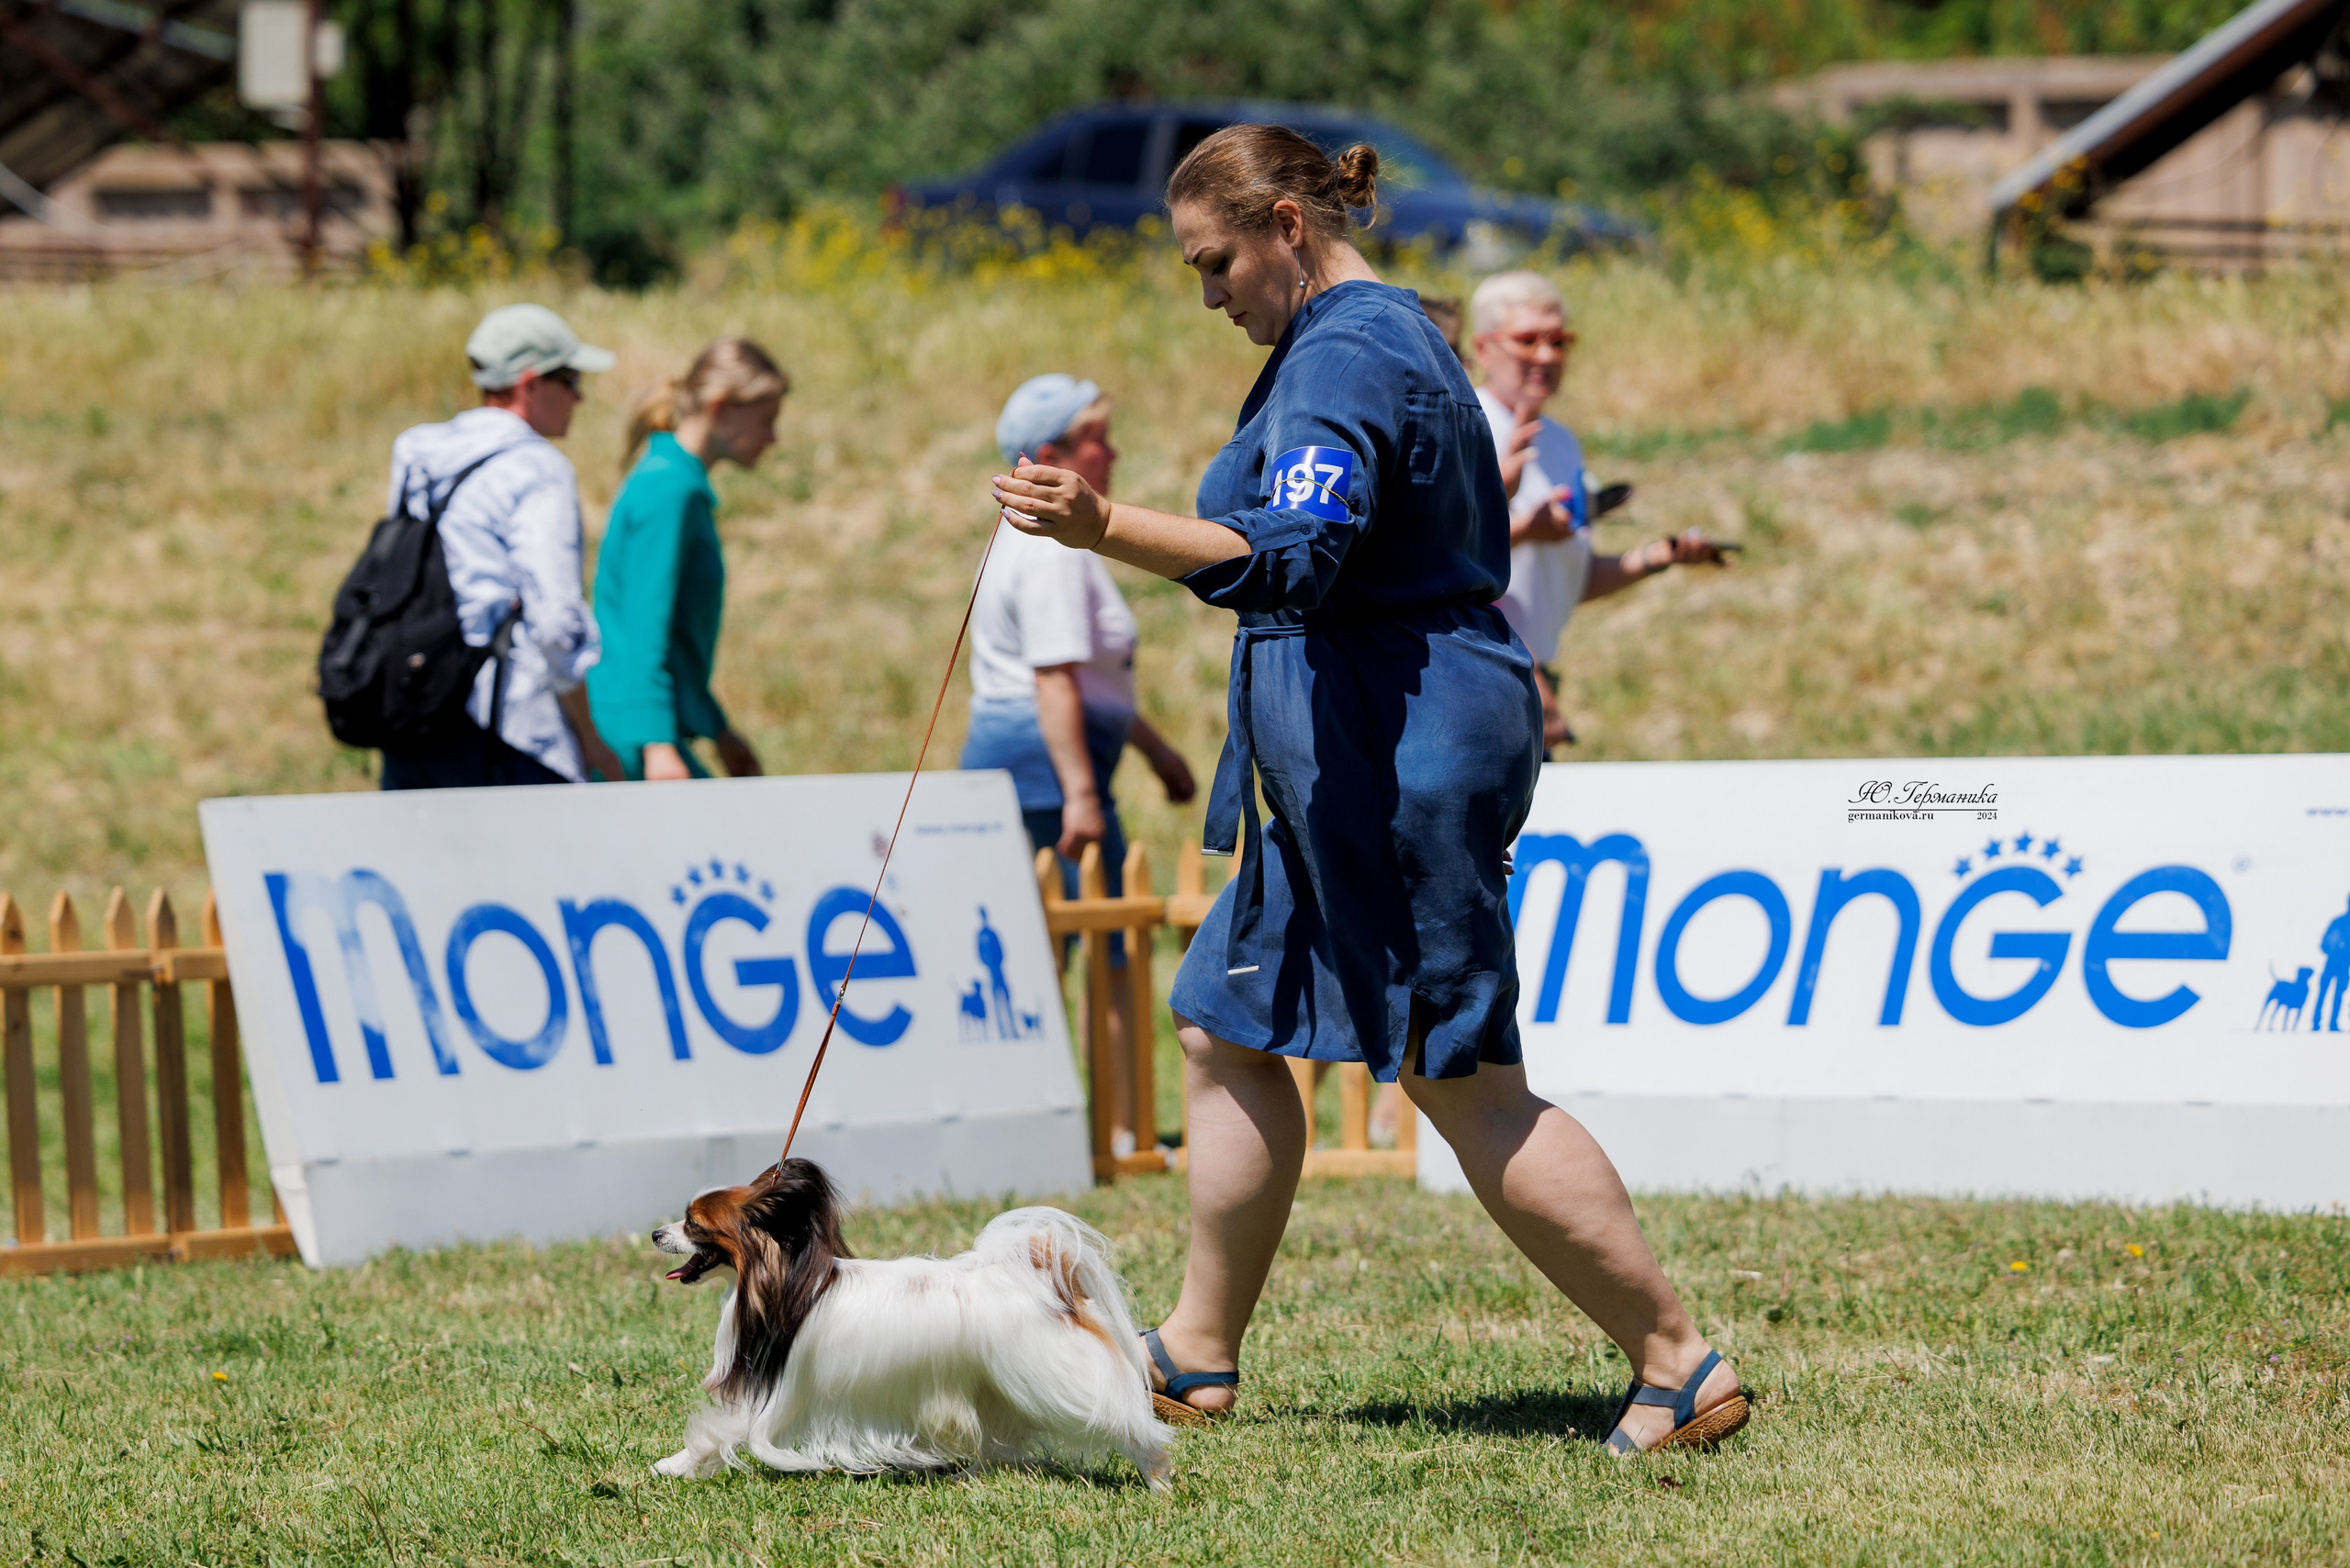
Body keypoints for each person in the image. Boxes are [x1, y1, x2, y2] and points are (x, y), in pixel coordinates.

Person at [989, 125, 1749, 1455]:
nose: (1207, 291)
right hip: (1343, 759)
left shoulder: (1346, 352)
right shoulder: (1345, 339)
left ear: (1288, 221)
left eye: (1216, 261)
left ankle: (1676, 1359)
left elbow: (1295, 552)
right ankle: (1198, 1351)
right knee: (1227, 1024)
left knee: (1461, 1078)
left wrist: (1105, 529)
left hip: (1400, 755)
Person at [1469, 271, 1729, 753]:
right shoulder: (1466, 426)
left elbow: (1572, 579)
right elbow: (1437, 561)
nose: (1547, 356)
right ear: (1483, 349)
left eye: (1560, 341)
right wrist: (1527, 530)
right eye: (1527, 340)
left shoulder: (1561, 442)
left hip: (1531, 677)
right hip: (1473, 681)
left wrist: (1662, 556)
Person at [961, 374, 1196, 881]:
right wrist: (1082, 798)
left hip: (1039, 763)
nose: (1112, 455)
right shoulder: (1051, 550)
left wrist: (1156, 752)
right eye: (1098, 440)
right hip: (1042, 769)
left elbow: (1085, 682)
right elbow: (1052, 680)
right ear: (1051, 454)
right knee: (1102, 929)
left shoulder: (1039, 540)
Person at [380, 303, 624, 790]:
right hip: (508, 727)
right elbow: (555, 621)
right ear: (530, 383)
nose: (579, 398)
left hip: (414, 708)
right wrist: (590, 738)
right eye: (571, 380)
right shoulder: (538, 468)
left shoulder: (418, 451)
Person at [588, 338, 786, 780]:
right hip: (632, 735)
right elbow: (642, 629)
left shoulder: (675, 481)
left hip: (646, 727)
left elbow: (675, 641)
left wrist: (719, 731)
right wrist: (657, 746)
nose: (774, 438)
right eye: (767, 421)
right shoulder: (668, 491)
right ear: (720, 408)